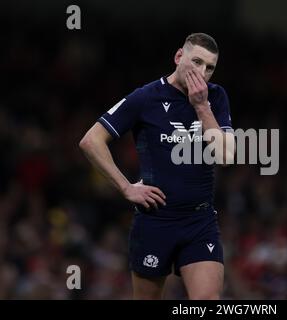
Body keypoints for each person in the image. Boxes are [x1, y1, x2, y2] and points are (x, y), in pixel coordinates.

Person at [79, 33, 235, 299]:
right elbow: (91, 141)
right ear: (178, 57)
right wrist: (126, 187)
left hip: (200, 220)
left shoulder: (216, 97)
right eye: (196, 62)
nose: (202, 72)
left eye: (210, 67)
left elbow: (226, 156)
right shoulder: (146, 98)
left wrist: (201, 106)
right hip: (156, 220)